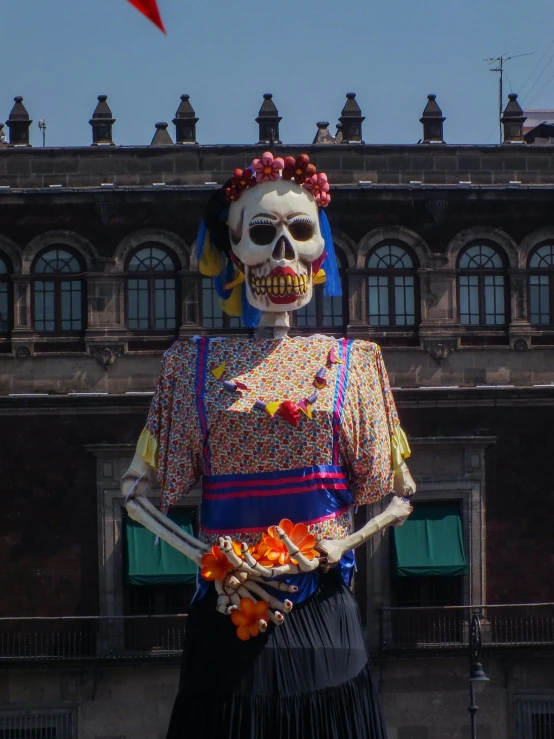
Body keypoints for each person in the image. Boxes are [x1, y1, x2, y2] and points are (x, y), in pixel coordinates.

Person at [122, 152, 415, 739]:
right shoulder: (191, 366)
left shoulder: (355, 364)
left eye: (298, 232)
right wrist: (213, 558)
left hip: (322, 613)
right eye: (262, 233)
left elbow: (403, 495)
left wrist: (340, 546)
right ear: (234, 252)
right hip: (229, 609)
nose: (282, 252)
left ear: (317, 250)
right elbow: (133, 493)